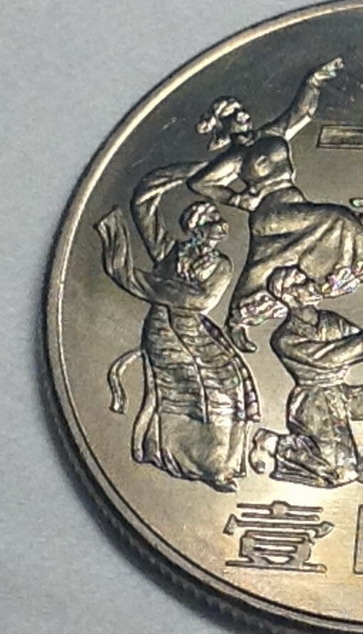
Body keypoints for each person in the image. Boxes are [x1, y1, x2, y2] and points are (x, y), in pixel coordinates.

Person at [187, 58, 363, 352]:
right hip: (270, 212)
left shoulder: (271, 134)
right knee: (336, 217)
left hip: (293, 203)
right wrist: (236, 199)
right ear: (224, 125)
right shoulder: (235, 159)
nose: (242, 115)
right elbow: (200, 183)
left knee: (264, 264)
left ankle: (238, 320)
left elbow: (301, 112)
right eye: (233, 114)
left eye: (241, 110)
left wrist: (312, 82)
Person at [96, 177, 260, 492]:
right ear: (197, 227)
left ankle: (223, 462)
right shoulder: (170, 251)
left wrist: (152, 285)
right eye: (212, 220)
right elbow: (143, 204)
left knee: (231, 384)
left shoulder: (221, 265)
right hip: (164, 330)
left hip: (195, 328)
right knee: (190, 389)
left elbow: (202, 301)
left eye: (219, 220)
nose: (220, 226)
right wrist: (189, 173)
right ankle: (194, 462)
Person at [248, 267, 363, 490]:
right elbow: (329, 357)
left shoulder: (331, 321)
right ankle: (275, 444)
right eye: (301, 283)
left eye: (307, 279)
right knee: (340, 473)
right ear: (288, 295)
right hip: (314, 401)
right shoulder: (284, 337)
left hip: (341, 392)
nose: (311, 284)